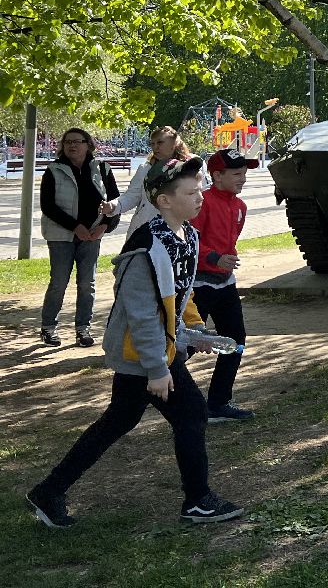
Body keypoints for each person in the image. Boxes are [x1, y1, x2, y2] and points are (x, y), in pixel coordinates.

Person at [27, 156, 244, 527]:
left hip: (155, 350)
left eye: (200, 190)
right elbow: (142, 314)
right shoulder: (145, 248)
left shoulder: (187, 237)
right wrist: (157, 368)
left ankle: (48, 491)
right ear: (164, 201)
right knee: (192, 413)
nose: (200, 197)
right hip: (142, 353)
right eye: (190, 193)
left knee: (118, 421)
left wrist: (192, 335)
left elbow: (175, 302)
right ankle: (198, 501)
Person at [190, 149, 262, 423]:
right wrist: (214, 258)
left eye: (244, 174)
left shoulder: (240, 207)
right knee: (188, 344)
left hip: (225, 284)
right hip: (199, 285)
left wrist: (224, 262)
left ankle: (218, 403)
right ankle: (154, 385)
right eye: (236, 174)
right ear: (216, 176)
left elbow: (229, 242)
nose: (242, 179)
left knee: (235, 341)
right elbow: (190, 242)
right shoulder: (202, 202)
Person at [39, 128, 120, 348]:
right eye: (67, 142)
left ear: (88, 144)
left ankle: (83, 329)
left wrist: (105, 226)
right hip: (61, 236)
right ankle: (48, 327)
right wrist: (75, 227)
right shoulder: (54, 170)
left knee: (87, 284)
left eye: (77, 141)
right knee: (59, 282)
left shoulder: (102, 168)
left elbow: (116, 203)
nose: (72, 146)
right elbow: (47, 206)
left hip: (92, 235)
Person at [106, 125, 194, 237]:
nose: (155, 147)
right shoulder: (145, 168)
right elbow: (132, 195)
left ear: (174, 143)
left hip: (177, 230)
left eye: (160, 142)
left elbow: (201, 197)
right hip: (145, 229)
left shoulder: (192, 166)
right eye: (152, 144)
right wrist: (113, 206)